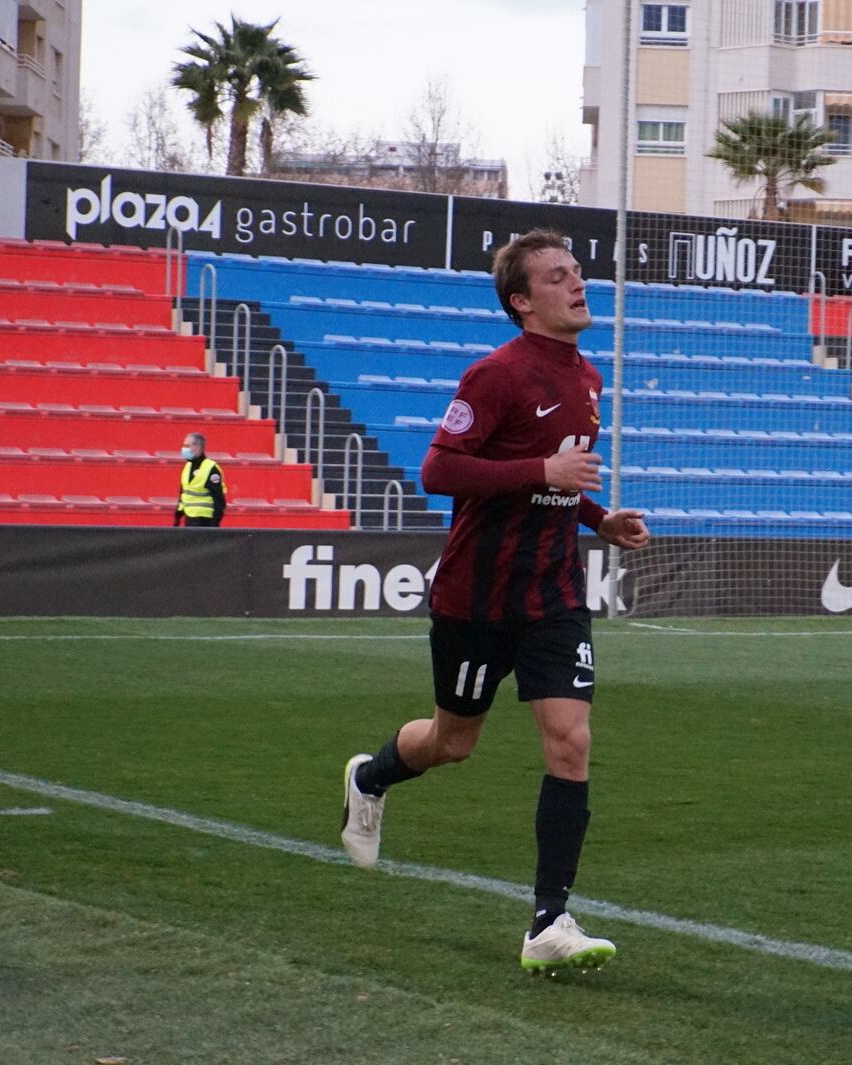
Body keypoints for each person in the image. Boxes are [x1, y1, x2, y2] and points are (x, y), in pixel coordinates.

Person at [338, 229, 651, 974]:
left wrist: (595, 517)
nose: (578, 284)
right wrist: (544, 464)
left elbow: (555, 482)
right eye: (557, 276)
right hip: (476, 594)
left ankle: (549, 920)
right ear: (521, 300)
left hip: (554, 592)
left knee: (570, 740)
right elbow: (438, 469)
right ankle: (369, 776)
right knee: (453, 742)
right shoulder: (495, 375)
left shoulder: (589, 378)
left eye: (577, 272)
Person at [174, 432, 226, 526]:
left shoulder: (211, 468)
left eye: (187, 446)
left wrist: (215, 523)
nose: (184, 449)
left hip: (205, 520)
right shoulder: (187, 466)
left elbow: (219, 499)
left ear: (198, 447)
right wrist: (178, 515)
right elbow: (184, 493)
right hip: (189, 517)